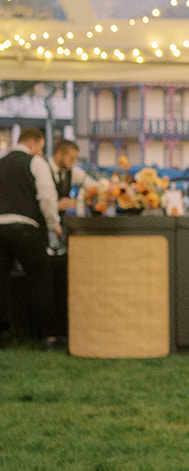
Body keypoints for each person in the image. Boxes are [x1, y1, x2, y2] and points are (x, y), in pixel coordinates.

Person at [0, 125, 61, 347]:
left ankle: (6, 334)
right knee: (41, 280)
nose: (41, 153)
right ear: (33, 143)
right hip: (25, 227)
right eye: (41, 148)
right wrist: (54, 223)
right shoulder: (36, 162)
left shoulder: (1, 162)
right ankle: (48, 335)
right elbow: (46, 196)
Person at [49, 139, 88, 338]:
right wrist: (57, 205)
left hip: (60, 232)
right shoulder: (43, 170)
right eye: (71, 158)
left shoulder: (73, 173)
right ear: (60, 154)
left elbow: (90, 184)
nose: (73, 162)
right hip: (45, 230)